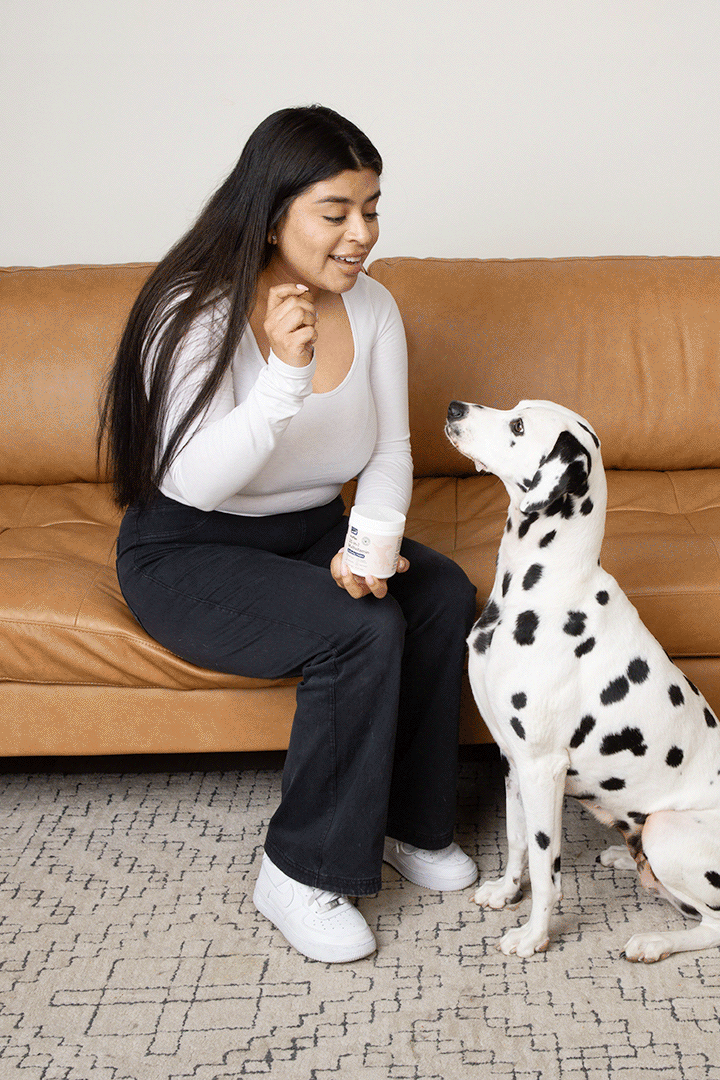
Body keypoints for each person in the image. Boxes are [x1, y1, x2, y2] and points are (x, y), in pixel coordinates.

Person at [99, 105, 478, 963]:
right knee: (359, 630)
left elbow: (390, 449)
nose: (362, 234)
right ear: (273, 213)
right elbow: (190, 482)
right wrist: (284, 378)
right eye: (336, 212)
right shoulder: (193, 309)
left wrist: (371, 547)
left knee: (441, 593)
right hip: (187, 548)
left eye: (372, 208)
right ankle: (297, 870)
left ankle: (408, 825)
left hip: (312, 533)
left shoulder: (374, 308)